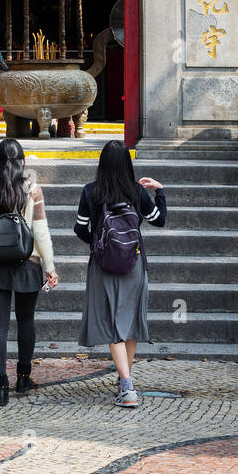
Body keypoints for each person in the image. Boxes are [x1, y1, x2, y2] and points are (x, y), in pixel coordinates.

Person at [74, 140, 166, 408]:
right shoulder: (136, 191)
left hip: (103, 266)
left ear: (102, 164)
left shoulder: (91, 191)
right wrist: (159, 191)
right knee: (130, 321)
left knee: (113, 323)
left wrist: (99, 244)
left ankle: (127, 387)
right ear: (127, 163)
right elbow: (159, 219)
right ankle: (126, 377)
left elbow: (80, 229)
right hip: (134, 263)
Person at [0, 138, 58, 405]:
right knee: (26, 321)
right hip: (27, 265)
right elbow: (40, 233)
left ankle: (0, 387)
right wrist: (50, 268)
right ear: (22, 161)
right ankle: (23, 377)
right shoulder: (33, 191)